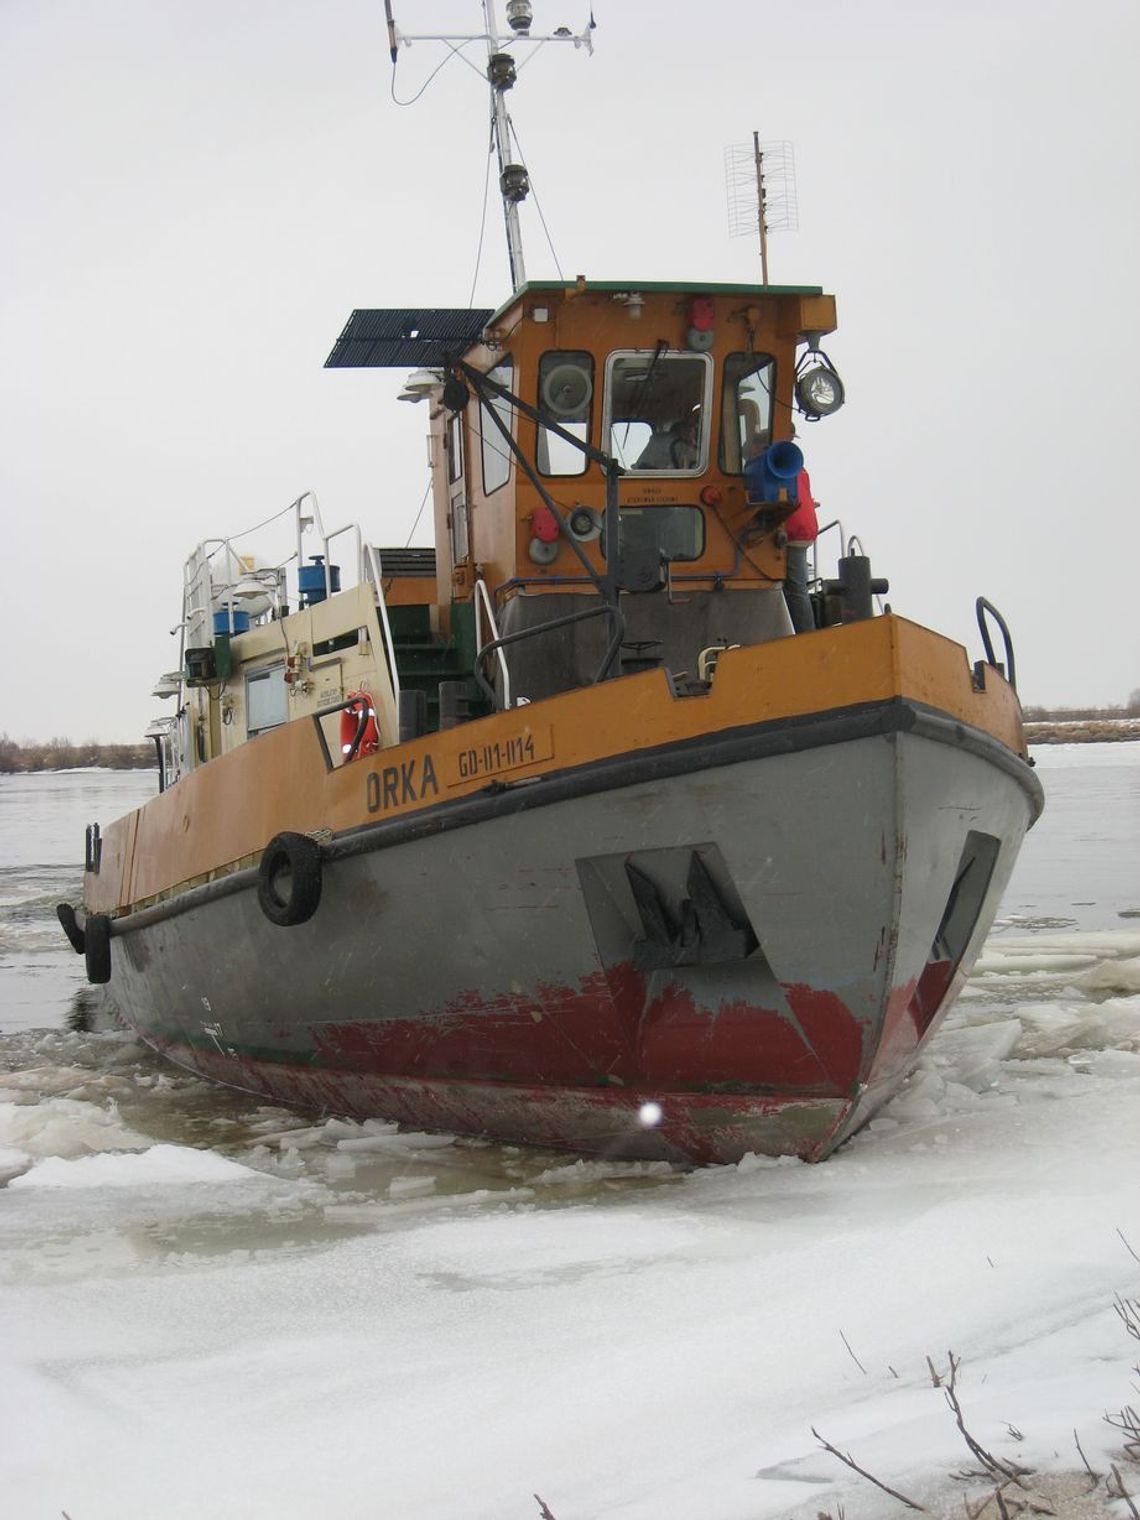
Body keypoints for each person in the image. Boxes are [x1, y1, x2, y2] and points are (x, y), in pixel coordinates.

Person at [782, 464, 818, 633]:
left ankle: (805, 634)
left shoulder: (775, 465)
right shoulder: (800, 469)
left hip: (794, 530)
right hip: (806, 528)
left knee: (796, 589)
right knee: (799, 585)